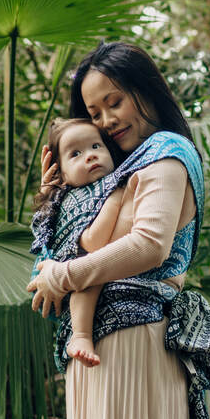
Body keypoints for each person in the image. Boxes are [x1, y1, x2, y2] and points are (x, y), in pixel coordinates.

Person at [26, 41, 210, 419]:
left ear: (146, 89)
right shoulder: (119, 168)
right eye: (94, 113)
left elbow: (149, 245)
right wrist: (55, 198)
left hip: (133, 340)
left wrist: (63, 275)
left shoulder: (165, 152)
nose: (105, 121)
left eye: (114, 102)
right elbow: (74, 248)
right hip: (98, 347)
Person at [30, 117, 128, 367]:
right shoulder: (73, 198)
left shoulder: (107, 183)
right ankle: (81, 336)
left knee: (90, 270)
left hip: (68, 277)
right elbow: (94, 242)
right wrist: (116, 200)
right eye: (76, 153)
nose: (90, 156)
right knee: (88, 275)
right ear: (62, 174)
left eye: (96, 146)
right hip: (60, 276)